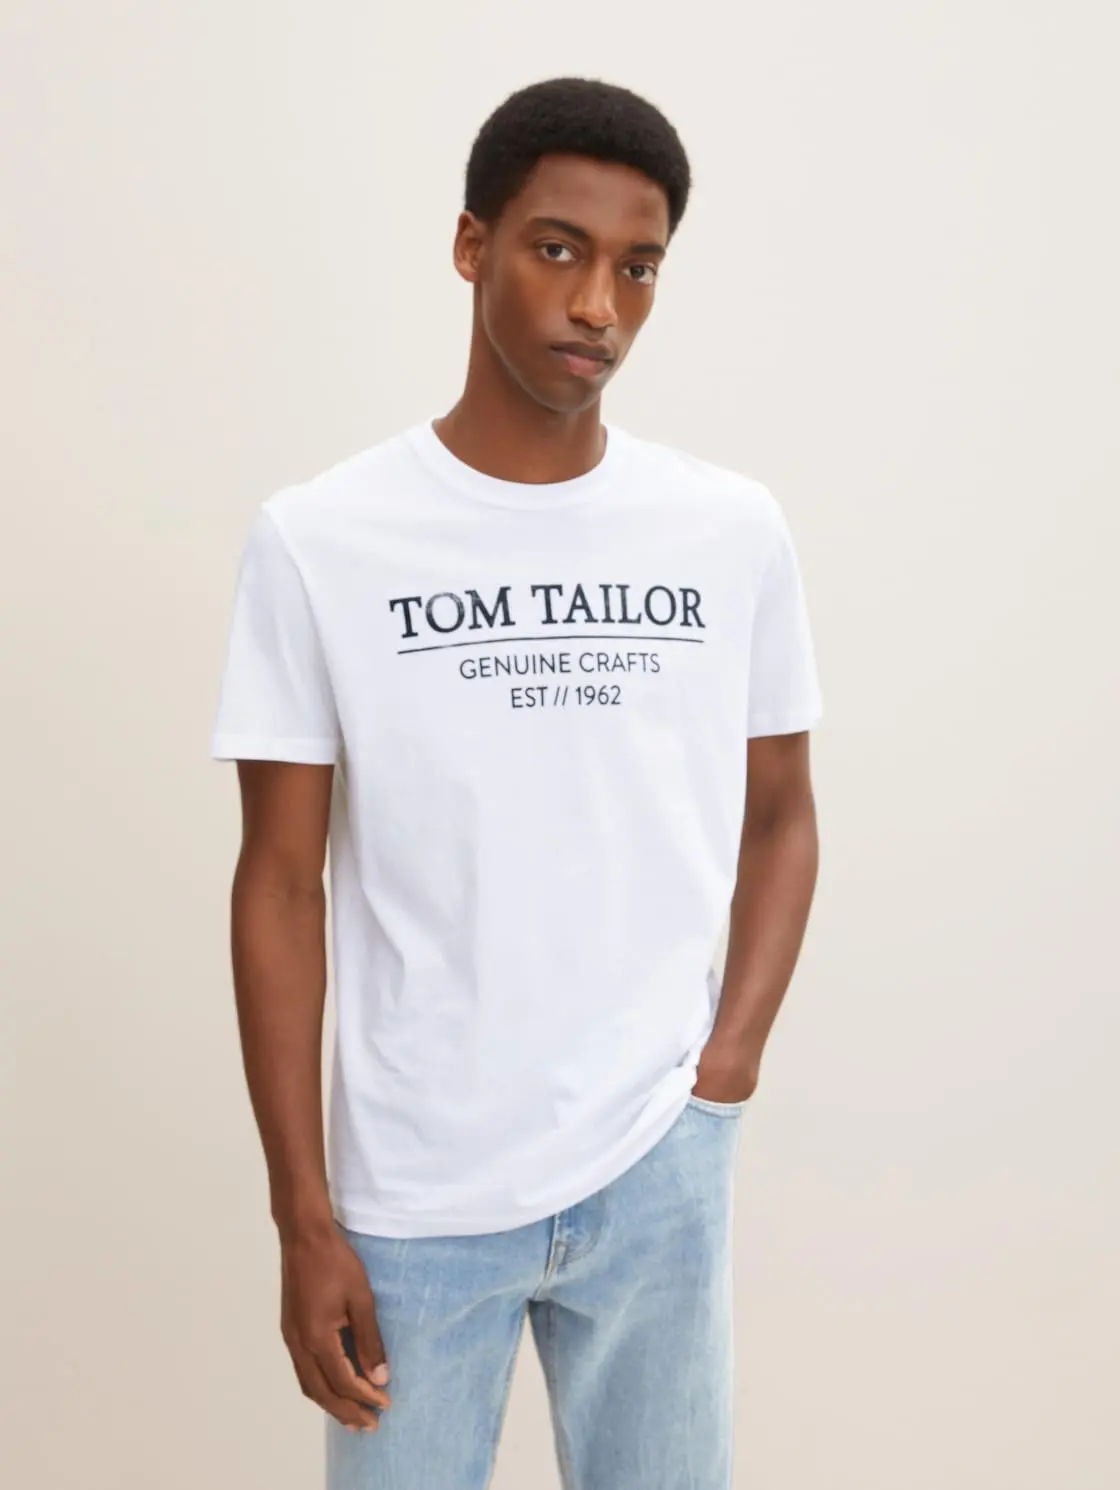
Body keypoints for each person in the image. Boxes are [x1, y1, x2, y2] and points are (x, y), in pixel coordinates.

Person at [210, 74, 823, 1490]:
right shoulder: (324, 539)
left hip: (658, 1156)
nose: (598, 303)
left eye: (638, 267)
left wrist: (723, 1073)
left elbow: (784, 813)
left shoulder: (727, 530)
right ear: (471, 244)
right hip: (415, 1192)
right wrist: (304, 1214)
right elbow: (280, 884)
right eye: (559, 249)